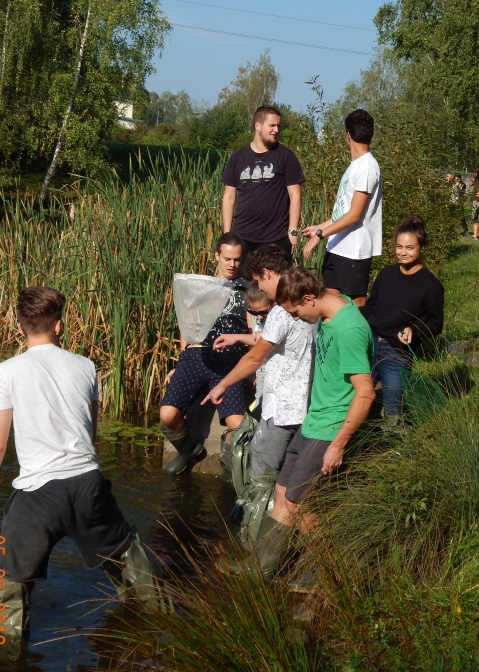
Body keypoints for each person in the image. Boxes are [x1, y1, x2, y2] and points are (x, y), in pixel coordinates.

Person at [0, 286, 164, 638]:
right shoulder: (85, 367)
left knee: (8, 585)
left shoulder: (6, 372)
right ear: (59, 326)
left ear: (21, 326)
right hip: (88, 485)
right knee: (127, 552)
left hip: (38, 495)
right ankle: (162, 625)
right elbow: (91, 433)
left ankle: (4, 668)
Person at [214, 266, 374, 581]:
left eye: (297, 312)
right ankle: (262, 567)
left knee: (297, 505)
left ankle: (329, 572)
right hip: (313, 421)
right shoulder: (332, 306)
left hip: (330, 427)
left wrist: (338, 445)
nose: (297, 319)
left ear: (310, 298)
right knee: (283, 490)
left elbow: (366, 393)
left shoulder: (349, 329)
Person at [203, 245, 315, 482]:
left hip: (281, 409)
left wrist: (221, 385)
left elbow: (254, 358)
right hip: (305, 407)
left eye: (258, 281)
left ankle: (254, 518)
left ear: (267, 273)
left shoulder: (281, 310)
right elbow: (271, 340)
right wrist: (238, 338)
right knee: (287, 477)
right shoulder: (305, 302)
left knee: (261, 474)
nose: (260, 287)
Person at [160, 233, 252, 474]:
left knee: (236, 424)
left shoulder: (249, 289)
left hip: (230, 360)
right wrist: (180, 362)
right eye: (227, 258)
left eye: (237, 259)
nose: (232, 264)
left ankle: (231, 469)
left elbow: (254, 331)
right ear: (217, 257)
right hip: (197, 355)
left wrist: (252, 370)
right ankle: (189, 449)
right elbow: (187, 327)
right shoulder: (200, 287)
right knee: (167, 415)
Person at [360, 216, 444, 418]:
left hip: (397, 352)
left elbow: (435, 322)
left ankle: (393, 441)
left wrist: (414, 331)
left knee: (392, 406)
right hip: (369, 344)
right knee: (359, 398)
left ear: (422, 248)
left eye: (409, 248)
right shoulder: (386, 274)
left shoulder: (431, 285)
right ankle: (358, 439)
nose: (403, 252)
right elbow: (371, 307)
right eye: (399, 247)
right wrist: (348, 314)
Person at [302, 109, 382, 307]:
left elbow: (354, 215)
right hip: (337, 247)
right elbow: (343, 212)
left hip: (354, 251)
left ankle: (361, 339)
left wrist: (320, 235)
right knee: (331, 304)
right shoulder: (355, 166)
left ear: (348, 135)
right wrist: (319, 227)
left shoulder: (366, 167)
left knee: (356, 306)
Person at [221, 105, 304, 262]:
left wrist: (292, 231)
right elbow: (229, 197)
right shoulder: (238, 157)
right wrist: (228, 234)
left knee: (275, 286)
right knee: (241, 286)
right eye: (272, 125)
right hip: (242, 237)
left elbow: (295, 196)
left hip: (275, 239)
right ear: (257, 126)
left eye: (278, 125)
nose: (276, 130)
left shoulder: (286, 156)